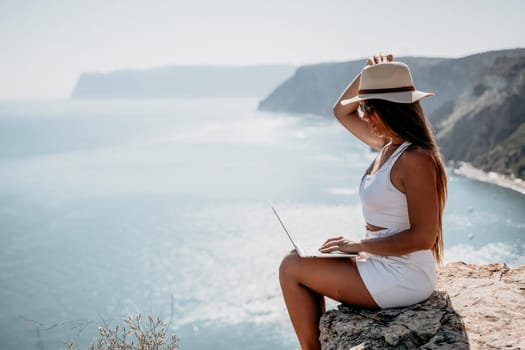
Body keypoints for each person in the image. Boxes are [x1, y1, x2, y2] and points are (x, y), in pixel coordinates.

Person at [278, 54, 447, 350]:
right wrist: (367, 76)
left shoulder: (415, 159)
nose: (363, 114)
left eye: (369, 107)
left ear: (390, 109)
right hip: (382, 264)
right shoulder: (388, 145)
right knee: (298, 258)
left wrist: (360, 245)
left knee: (292, 268)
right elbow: (341, 111)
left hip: (403, 277)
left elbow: (423, 237)